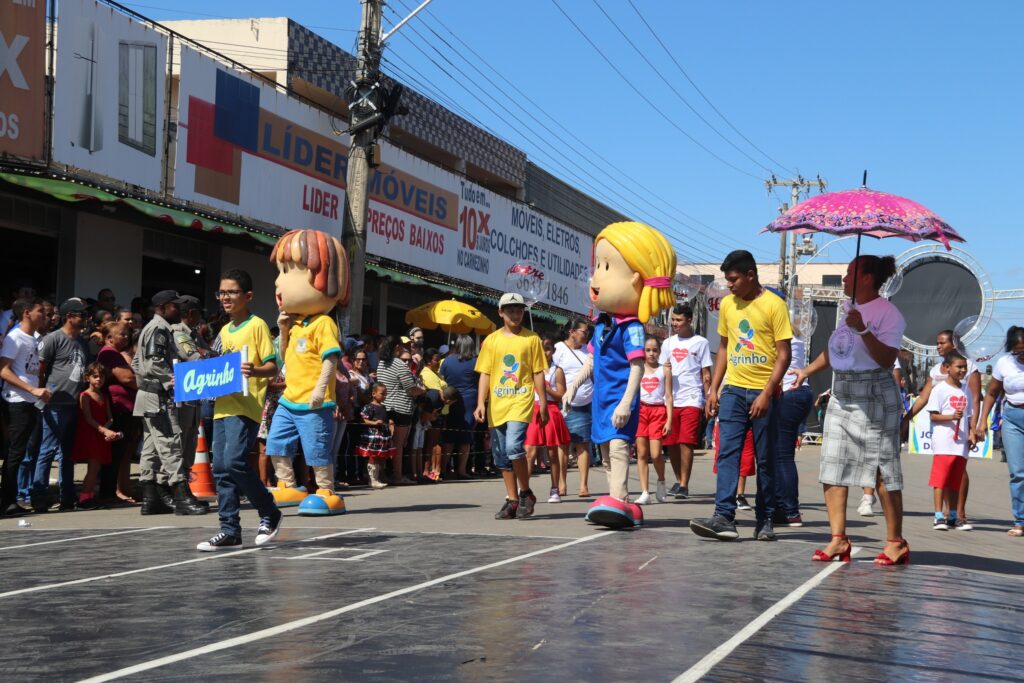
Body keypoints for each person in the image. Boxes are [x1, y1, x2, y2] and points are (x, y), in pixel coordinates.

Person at [790, 255, 908, 565]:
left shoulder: (888, 313)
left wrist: (864, 330)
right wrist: (806, 371)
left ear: (867, 278)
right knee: (832, 464)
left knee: (882, 469)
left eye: (849, 274)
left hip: (875, 391)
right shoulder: (848, 310)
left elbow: (887, 359)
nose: (844, 279)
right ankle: (838, 539)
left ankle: (895, 542)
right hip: (842, 392)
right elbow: (835, 351)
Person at [564, 221, 676, 528]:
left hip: (619, 398)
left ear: (636, 278)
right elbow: (592, 361)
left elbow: (637, 366)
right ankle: (621, 501)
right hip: (600, 401)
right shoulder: (601, 324)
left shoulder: (632, 328)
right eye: (598, 266)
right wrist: (573, 387)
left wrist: (627, 402)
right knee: (604, 451)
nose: (597, 276)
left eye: (606, 267)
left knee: (617, 448)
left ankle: (619, 499)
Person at [692, 250, 792, 542]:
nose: (729, 285)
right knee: (727, 453)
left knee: (765, 459)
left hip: (764, 393)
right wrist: (714, 389)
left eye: (734, 279)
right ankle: (723, 516)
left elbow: (784, 355)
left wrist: (767, 393)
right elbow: (724, 347)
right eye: (727, 280)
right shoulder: (727, 305)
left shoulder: (774, 305)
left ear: (751, 275)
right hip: (733, 391)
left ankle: (765, 519)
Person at [198, 269, 282, 551]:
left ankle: (269, 510)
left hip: (246, 406)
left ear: (248, 296)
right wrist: (187, 381)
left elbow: (272, 367)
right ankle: (229, 530)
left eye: (231, 292)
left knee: (234, 462)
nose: (225, 297)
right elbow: (214, 368)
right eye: (222, 292)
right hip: (222, 406)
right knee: (221, 469)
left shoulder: (257, 325)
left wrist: (253, 370)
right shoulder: (224, 331)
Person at [265, 229, 348, 514]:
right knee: (276, 443)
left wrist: (320, 390)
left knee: (317, 448)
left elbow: (330, 360)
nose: (279, 281)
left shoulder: (324, 323)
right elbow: (284, 356)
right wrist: (284, 329)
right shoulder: (298, 324)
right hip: (290, 399)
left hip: (315, 403)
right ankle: (288, 484)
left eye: (288, 271)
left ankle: (326, 490)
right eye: (281, 271)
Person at [132, 291, 206, 517]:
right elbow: (154, 362)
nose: (179, 310)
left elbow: (137, 362)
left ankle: (151, 499)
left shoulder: (153, 328)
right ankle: (181, 497)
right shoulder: (160, 329)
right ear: (163, 307)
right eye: (175, 306)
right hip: (157, 396)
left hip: (148, 394)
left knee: (151, 448)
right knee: (170, 444)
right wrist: (170, 378)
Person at [475, 292, 548, 519]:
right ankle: (513, 500)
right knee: (501, 456)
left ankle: (525, 492)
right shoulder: (491, 340)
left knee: (514, 447)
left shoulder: (532, 339)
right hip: (497, 404)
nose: (516, 315)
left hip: (521, 400)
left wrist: (543, 402)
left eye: (519, 311)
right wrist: (480, 402)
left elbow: (538, 372)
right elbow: (485, 373)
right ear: (501, 313)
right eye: (511, 311)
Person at [903, 329, 982, 529]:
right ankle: (943, 513)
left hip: (962, 431)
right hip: (943, 432)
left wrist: (974, 428)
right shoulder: (936, 371)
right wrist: (906, 418)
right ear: (947, 368)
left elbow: (974, 399)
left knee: (959, 470)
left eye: (942, 343)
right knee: (943, 472)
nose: (938, 346)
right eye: (937, 343)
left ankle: (959, 513)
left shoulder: (968, 367)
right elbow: (923, 397)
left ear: (953, 344)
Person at [32, 298, 88, 511]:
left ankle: (67, 496)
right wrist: (41, 395)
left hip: (74, 403)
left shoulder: (82, 342)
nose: (86, 318)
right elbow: (40, 369)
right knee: (47, 449)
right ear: (69, 317)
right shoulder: (53, 338)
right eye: (82, 315)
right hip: (55, 402)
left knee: (67, 453)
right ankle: (38, 495)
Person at [0, 297, 49, 516]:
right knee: (15, 452)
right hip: (16, 402)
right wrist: (32, 390)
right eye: (40, 311)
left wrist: (39, 390)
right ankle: (7, 501)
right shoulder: (15, 337)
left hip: (30, 402)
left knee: (21, 453)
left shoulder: (32, 338)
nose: (44, 315)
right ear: (27, 313)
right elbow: (3, 370)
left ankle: (12, 499)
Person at [660, 303, 712, 499]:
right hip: (671, 400)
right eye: (673, 320)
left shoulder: (701, 342)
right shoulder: (667, 343)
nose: (675, 323)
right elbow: (661, 371)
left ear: (689, 321)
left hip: (692, 398)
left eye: (679, 320)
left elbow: (706, 373)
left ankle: (684, 484)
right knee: (672, 442)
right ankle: (678, 479)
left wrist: (708, 398)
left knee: (686, 441)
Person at [976, 325, 1024, 537]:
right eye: (1017, 351)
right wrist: (982, 421)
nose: (1021, 355)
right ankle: (1020, 521)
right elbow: (991, 394)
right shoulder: (1004, 363)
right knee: (1018, 473)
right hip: (1012, 418)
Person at [926, 351, 976, 530]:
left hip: (960, 443)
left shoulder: (966, 390)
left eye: (965, 367)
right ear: (947, 368)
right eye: (959, 367)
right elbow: (933, 416)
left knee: (955, 481)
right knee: (941, 480)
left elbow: (969, 417)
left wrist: (972, 433)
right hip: (944, 442)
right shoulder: (939, 389)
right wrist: (951, 416)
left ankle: (953, 516)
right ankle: (938, 516)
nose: (962, 370)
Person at [775, 312, 816, 527]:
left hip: (789, 392)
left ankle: (790, 510)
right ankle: (782, 507)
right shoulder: (797, 337)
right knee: (783, 455)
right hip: (802, 392)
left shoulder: (780, 338)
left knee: (782, 456)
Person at [525, 335, 571, 503]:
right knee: (529, 451)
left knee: (552, 452)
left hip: (551, 410)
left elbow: (561, 395)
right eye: (541, 349)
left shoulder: (557, 371)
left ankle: (555, 488)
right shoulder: (529, 369)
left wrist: (546, 389)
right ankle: (523, 489)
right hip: (533, 410)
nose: (545, 353)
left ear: (553, 350)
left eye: (548, 349)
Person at [96, 321, 138, 504]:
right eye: (122, 334)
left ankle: (118, 490)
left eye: (127, 334)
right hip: (118, 409)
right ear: (110, 338)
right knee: (115, 452)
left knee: (121, 452)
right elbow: (126, 378)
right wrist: (150, 386)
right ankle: (108, 493)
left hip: (125, 408)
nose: (126, 337)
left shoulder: (115, 354)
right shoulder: (109, 353)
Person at [552, 319, 594, 496]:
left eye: (588, 332)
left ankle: (583, 485)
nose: (586, 335)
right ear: (572, 331)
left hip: (585, 404)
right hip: (564, 404)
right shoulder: (558, 349)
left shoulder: (588, 350)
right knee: (562, 445)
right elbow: (551, 373)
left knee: (583, 444)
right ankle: (562, 484)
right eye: (584, 332)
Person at [72, 362, 120, 510]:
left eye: (102, 377)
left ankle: (90, 496)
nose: (99, 379)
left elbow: (110, 418)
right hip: (90, 435)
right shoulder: (85, 396)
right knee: (93, 467)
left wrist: (109, 431)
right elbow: (88, 418)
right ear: (87, 378)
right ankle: (84, 498)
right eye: (95, 376)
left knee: (97, 467)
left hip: (101, 434)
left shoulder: (104, 396)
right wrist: (104, 431)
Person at [377, 335, 424, 485]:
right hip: (401, 408)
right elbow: (410, 389)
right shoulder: (399, 364)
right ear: (397, 347)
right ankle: (398, 476)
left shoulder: (381, 363)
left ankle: (382, 475)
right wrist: (423, 390)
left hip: (386, 406)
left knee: (386, 443)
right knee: (398, 444)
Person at [635, 335, 671, 505]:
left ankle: (661, 480)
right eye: (648, 350)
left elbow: (669, 396)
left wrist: (669, 420)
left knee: (656, 454)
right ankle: (644, 492)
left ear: (659, 351)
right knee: (641, 453)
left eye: (655, 350)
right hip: (641, 411)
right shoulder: (637, 368)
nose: (651, 353)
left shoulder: (665, 370)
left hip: (658, 411)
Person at [440, 334, 480, 479]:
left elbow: (442, 380)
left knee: (449, 436)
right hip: (469, 400)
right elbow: (481, 381)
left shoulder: (447, 361)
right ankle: (461, 470)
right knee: (465, 437)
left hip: (450, 399)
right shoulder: (476, 362)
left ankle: (443, 469)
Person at [357, 382, 397, 489]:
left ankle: (378, 477)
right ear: (373, 394)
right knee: (373, 456)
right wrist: (374, 423)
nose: (384, 396)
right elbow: (363, 419)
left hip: (382, 436)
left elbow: (385, 419)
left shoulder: (383, 407)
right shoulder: (369, 407)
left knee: (380, 457)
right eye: (382, 394)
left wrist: (390, 423)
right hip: (373, 435)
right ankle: (372, 479)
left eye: (385, 394)